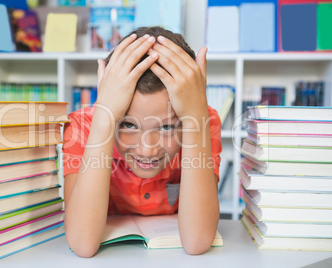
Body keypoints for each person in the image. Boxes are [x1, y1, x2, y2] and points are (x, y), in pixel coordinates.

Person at [62, 26, 222, 257]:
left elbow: (197, 241)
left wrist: (195, 116)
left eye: (167, 126)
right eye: (127, 124)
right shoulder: (83, 127)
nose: (147, 150)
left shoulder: (202, 121)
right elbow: (82, 244)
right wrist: (104, 119)